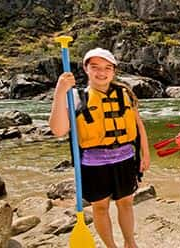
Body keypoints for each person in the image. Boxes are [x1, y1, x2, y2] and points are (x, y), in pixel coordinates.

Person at [49, 47, 150, 248]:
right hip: (94, 164)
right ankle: (111, 246)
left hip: (125, 159)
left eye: (107, 67)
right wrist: (60, 92)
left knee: (126, 203)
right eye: (95, 67)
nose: (101, 72)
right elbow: (58, 130)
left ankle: (130, 243)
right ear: (86, 69)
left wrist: (145, 154)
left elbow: (138, 125)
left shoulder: (125, 94)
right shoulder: (76, 96)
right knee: (101, 208)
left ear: (114, 71)